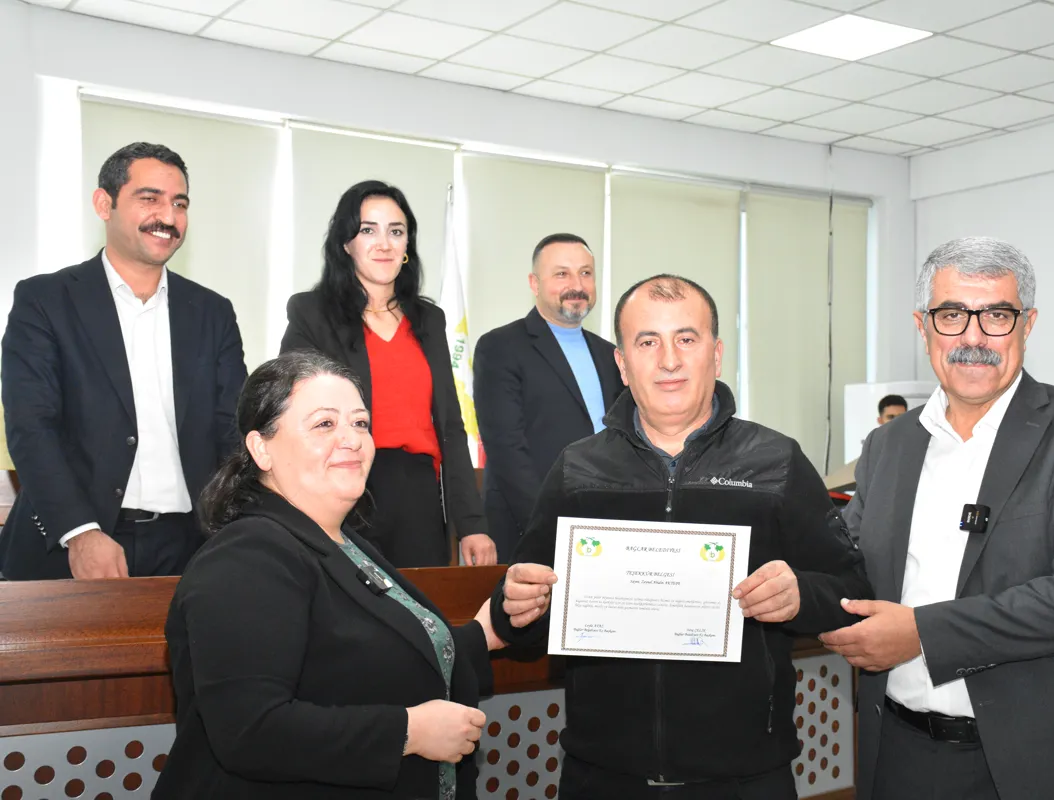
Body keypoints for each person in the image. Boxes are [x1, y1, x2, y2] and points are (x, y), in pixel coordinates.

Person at [490, 274, 872, 799]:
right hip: (603, 775)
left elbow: (853, 593)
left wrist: (799, 595)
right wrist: (518, 602)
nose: (669, 360)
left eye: (686, 339)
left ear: (716, 355)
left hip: (745, 778)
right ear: (622, 364)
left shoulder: (776, 462)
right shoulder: (577, 469)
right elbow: (523, 608)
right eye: (648, 342)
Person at [821, 237, 1054, 800]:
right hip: (900, 752)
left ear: (1027, 324)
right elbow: (849, 565)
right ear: (923, 326)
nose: (973, 338)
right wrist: (794, 585)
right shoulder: (887, 445)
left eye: (997, 316)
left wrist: (921, 634)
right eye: (952, 315)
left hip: (1047, 757)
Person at [154, 351, 503, 800]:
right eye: (324, 424)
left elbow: (360, 660)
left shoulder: (344, 543)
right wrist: (408, 732)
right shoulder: (246, 556)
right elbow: (250, 730)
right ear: (261, 448)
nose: (352, 439)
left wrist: (492, 628)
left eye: (360, 423)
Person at [0, 142, 246, 580]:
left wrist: (240, 531)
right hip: (73, 544)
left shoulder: (212, 312)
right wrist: (79, 532)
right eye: (150, 198)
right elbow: (31, 425)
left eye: (180, 203)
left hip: (190, 548)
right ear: (104, 204)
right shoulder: (45, 300)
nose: (168, 217)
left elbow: (232, 431)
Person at [280, 180, 495, 568]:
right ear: (346, 243)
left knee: (420, 605)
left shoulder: (429, 320)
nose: (384, 244)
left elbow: (450, 425)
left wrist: (471, 523)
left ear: (407, 244)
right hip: (341, 487)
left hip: (418, 497)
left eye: (396, 231)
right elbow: (290, 414)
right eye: (368, 230)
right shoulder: (312, 313)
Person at [474, 233, 622, 562]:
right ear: (534, 283)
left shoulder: (611, 355)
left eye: (585, 273)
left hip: (602, 530)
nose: (577, 285)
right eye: (561, 274)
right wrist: (548, 528)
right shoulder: (501, 347)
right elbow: (506, 449)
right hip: (531, 529)